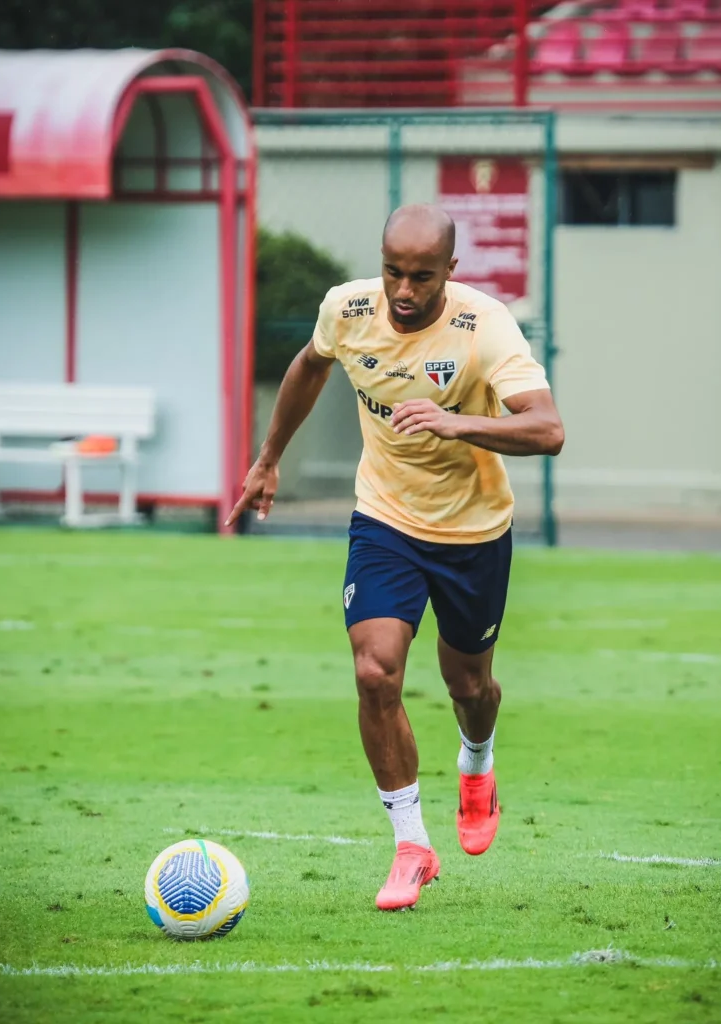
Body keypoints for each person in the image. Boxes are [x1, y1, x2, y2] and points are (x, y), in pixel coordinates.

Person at [227, 204, 564, 911]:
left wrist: (456, 421)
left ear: (450, 271)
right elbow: (309, 366)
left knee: (469, 687)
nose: (404, 291)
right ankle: (412, 845)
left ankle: (477, 763)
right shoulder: (346, 309)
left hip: (472, 531)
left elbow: (547, 428)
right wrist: (267, 459)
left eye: (421, 277)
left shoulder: (484, 325)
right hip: (384, 519)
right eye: (392, 272)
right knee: (374, 670)